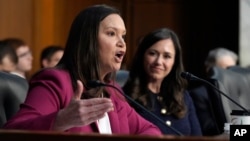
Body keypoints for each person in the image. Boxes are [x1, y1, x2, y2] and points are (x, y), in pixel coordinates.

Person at [3, 4, 161, 135]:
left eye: (123, 36)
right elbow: (12, 132)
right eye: (111, 33)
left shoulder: (112, 91)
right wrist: (60, 120)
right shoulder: (56, 82)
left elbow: (149, 130)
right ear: (88, 40)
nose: (122, 43)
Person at [122, 28, 202, 136]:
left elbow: (198, 137)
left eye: (167, 56)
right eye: (152, 53)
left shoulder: (183, 97)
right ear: (142, 56)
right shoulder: (125, 97)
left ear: (175, 62)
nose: (158, 62)